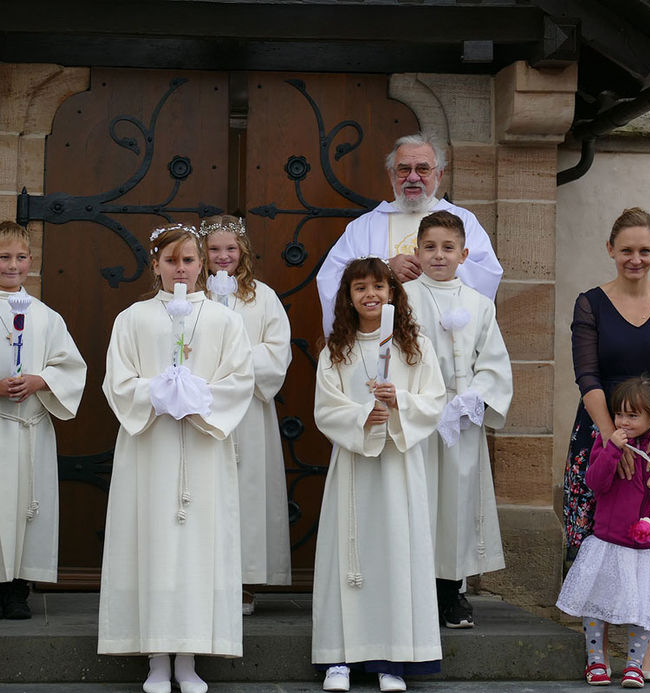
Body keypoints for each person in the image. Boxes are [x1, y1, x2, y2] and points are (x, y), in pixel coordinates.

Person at [98, 223, 254, 693]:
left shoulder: (225, 320)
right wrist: (158, 394)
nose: (180, 269)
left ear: (202, 264)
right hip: (151, 447)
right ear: (155, 266)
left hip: (203, 448)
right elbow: (118, 381)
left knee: (196, 550)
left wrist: (197, 397)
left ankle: (188, 657)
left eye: (188, 260)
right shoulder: (134, 318)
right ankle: (154, 657)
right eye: (170, 261)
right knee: (152, 546)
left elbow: (239, 379)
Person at [312, 257, 446, 693]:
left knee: (395, 555)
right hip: (354, 464)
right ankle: (340, 659)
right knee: (348, 556)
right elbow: (326, 408)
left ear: (393, 293)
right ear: (348, 298)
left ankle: (394, 659)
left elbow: (435, 399)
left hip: (398, 466)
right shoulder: (337, 351)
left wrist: (400, 400)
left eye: (378, 287)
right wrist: (363, 414)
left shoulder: (416, 347)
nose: (370, 295)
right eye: (359, 288)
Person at [562, 207, 650, 681]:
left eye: (644, 251)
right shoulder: (590, 303)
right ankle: (600, 649)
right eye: (626, 250)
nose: (635, 259)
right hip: (602, 431)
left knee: (644, 539)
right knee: (599, 541)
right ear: (610, 250)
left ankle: (642, 652)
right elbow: (587, 375)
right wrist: (614, 436)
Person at [0, 221, 87, 619]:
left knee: (30, 508)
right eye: (4, 257)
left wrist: (39, 379)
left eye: (21, 257)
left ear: (31, 262)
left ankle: (18, 590)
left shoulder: (46, 316)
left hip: (30, 427)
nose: (13, 265)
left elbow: (71, 366)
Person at [405, 210, 513, 628]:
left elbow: (494, 363)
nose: (438, 255)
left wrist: (471, 400)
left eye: (447, 248)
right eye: (429, 247)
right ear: (416, 251)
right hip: (415, 417)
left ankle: (450, 593)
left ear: (463, 254)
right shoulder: (403, 297)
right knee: (418, 500)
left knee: (456, 504)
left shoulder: (479, 305)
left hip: (459, 420)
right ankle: (413, 591)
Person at [557, 375, 650, 688]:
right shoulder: (607, 440)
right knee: (595, 602)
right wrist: (612, 449)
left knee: (640, 608)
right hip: (607, 541)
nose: (623, 421)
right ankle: (596, 660)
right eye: (619, 414)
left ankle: (634, 664)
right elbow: (595, 481)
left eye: (632, 415)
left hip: (645, 546)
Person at [316, 132, 502, 336]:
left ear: (438, 175)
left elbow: (487, 275)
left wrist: (435, 267)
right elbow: (330, 279)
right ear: (391, 175)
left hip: (443, 336)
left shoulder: (463, 221)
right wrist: (385, 269)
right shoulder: (364, 226)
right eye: (404, 169)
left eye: (423, 169)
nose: (413, 178)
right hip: (382, 337)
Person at [200, 214, 292, 614]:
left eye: (230, 249)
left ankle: (244, 581)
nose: (223, 257)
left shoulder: (262, 297)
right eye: (214, 249)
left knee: (247, 492)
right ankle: (202, 578)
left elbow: (277, 350)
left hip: (249, 411)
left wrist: (235, 361)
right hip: (203, 407)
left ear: (243, 252)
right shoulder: (190, 293)